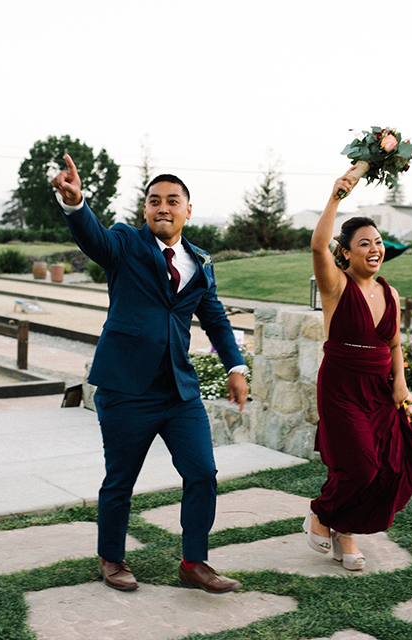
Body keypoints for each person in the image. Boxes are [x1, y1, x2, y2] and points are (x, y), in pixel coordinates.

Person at [51, 154, 248, 594]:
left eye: (173, 200)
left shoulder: (200, 261)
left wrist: (234, 365)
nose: (163, 207)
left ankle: (194, 562)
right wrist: (76, 204)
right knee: (120, 480)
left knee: (202, 472)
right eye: (154, 200)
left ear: (188, 210)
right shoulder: (123, 243)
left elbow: (214, 319)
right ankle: (112, 558)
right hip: (126, 389)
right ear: (144, 210)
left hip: (179, 393)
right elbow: (94, 240)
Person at [303, 165, 412, 571]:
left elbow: (394, 342)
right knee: (361, 464)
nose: (374, 249)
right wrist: (337, 195)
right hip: (342, 388)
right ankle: (321, 514)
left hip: (379, 390)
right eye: (363, 243)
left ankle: (347, 532)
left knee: (385, 468)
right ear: (346, 252)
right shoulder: (336, 286)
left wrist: (401, 385)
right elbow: (316, 246)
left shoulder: (389, 292)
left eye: (378, 242)